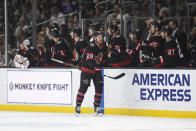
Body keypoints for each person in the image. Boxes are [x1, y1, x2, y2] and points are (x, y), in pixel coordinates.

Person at [75, 31, 104, 116]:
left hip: (97, 71)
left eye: (101, 37)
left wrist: (98, 68)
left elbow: (101, 59)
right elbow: (89, 60)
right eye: (99, 37)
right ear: (95, 38)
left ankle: (97, 108)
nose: (101, 39)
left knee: (99, 88)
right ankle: (78, 106)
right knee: (83, 88)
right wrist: (94, 67)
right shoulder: (91, 46)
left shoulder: (101, 47)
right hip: (87, 71)